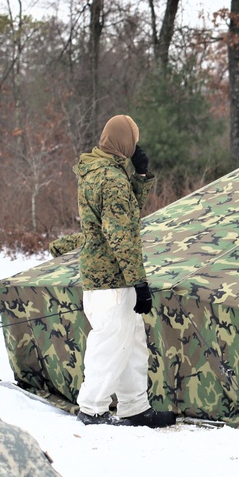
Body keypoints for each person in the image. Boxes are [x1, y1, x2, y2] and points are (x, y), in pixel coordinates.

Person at [73, 114, 175, 428]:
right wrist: (138, 282)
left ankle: (134, 408)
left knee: (130, 345)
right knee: (111, 344)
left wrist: (140, 176)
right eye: (133, 140)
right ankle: (91, 409)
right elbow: (122, 234)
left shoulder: (98, 170)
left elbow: (124, 212)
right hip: (112, 281)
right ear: (124, 143)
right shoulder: (111, 179)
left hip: (104, 278)